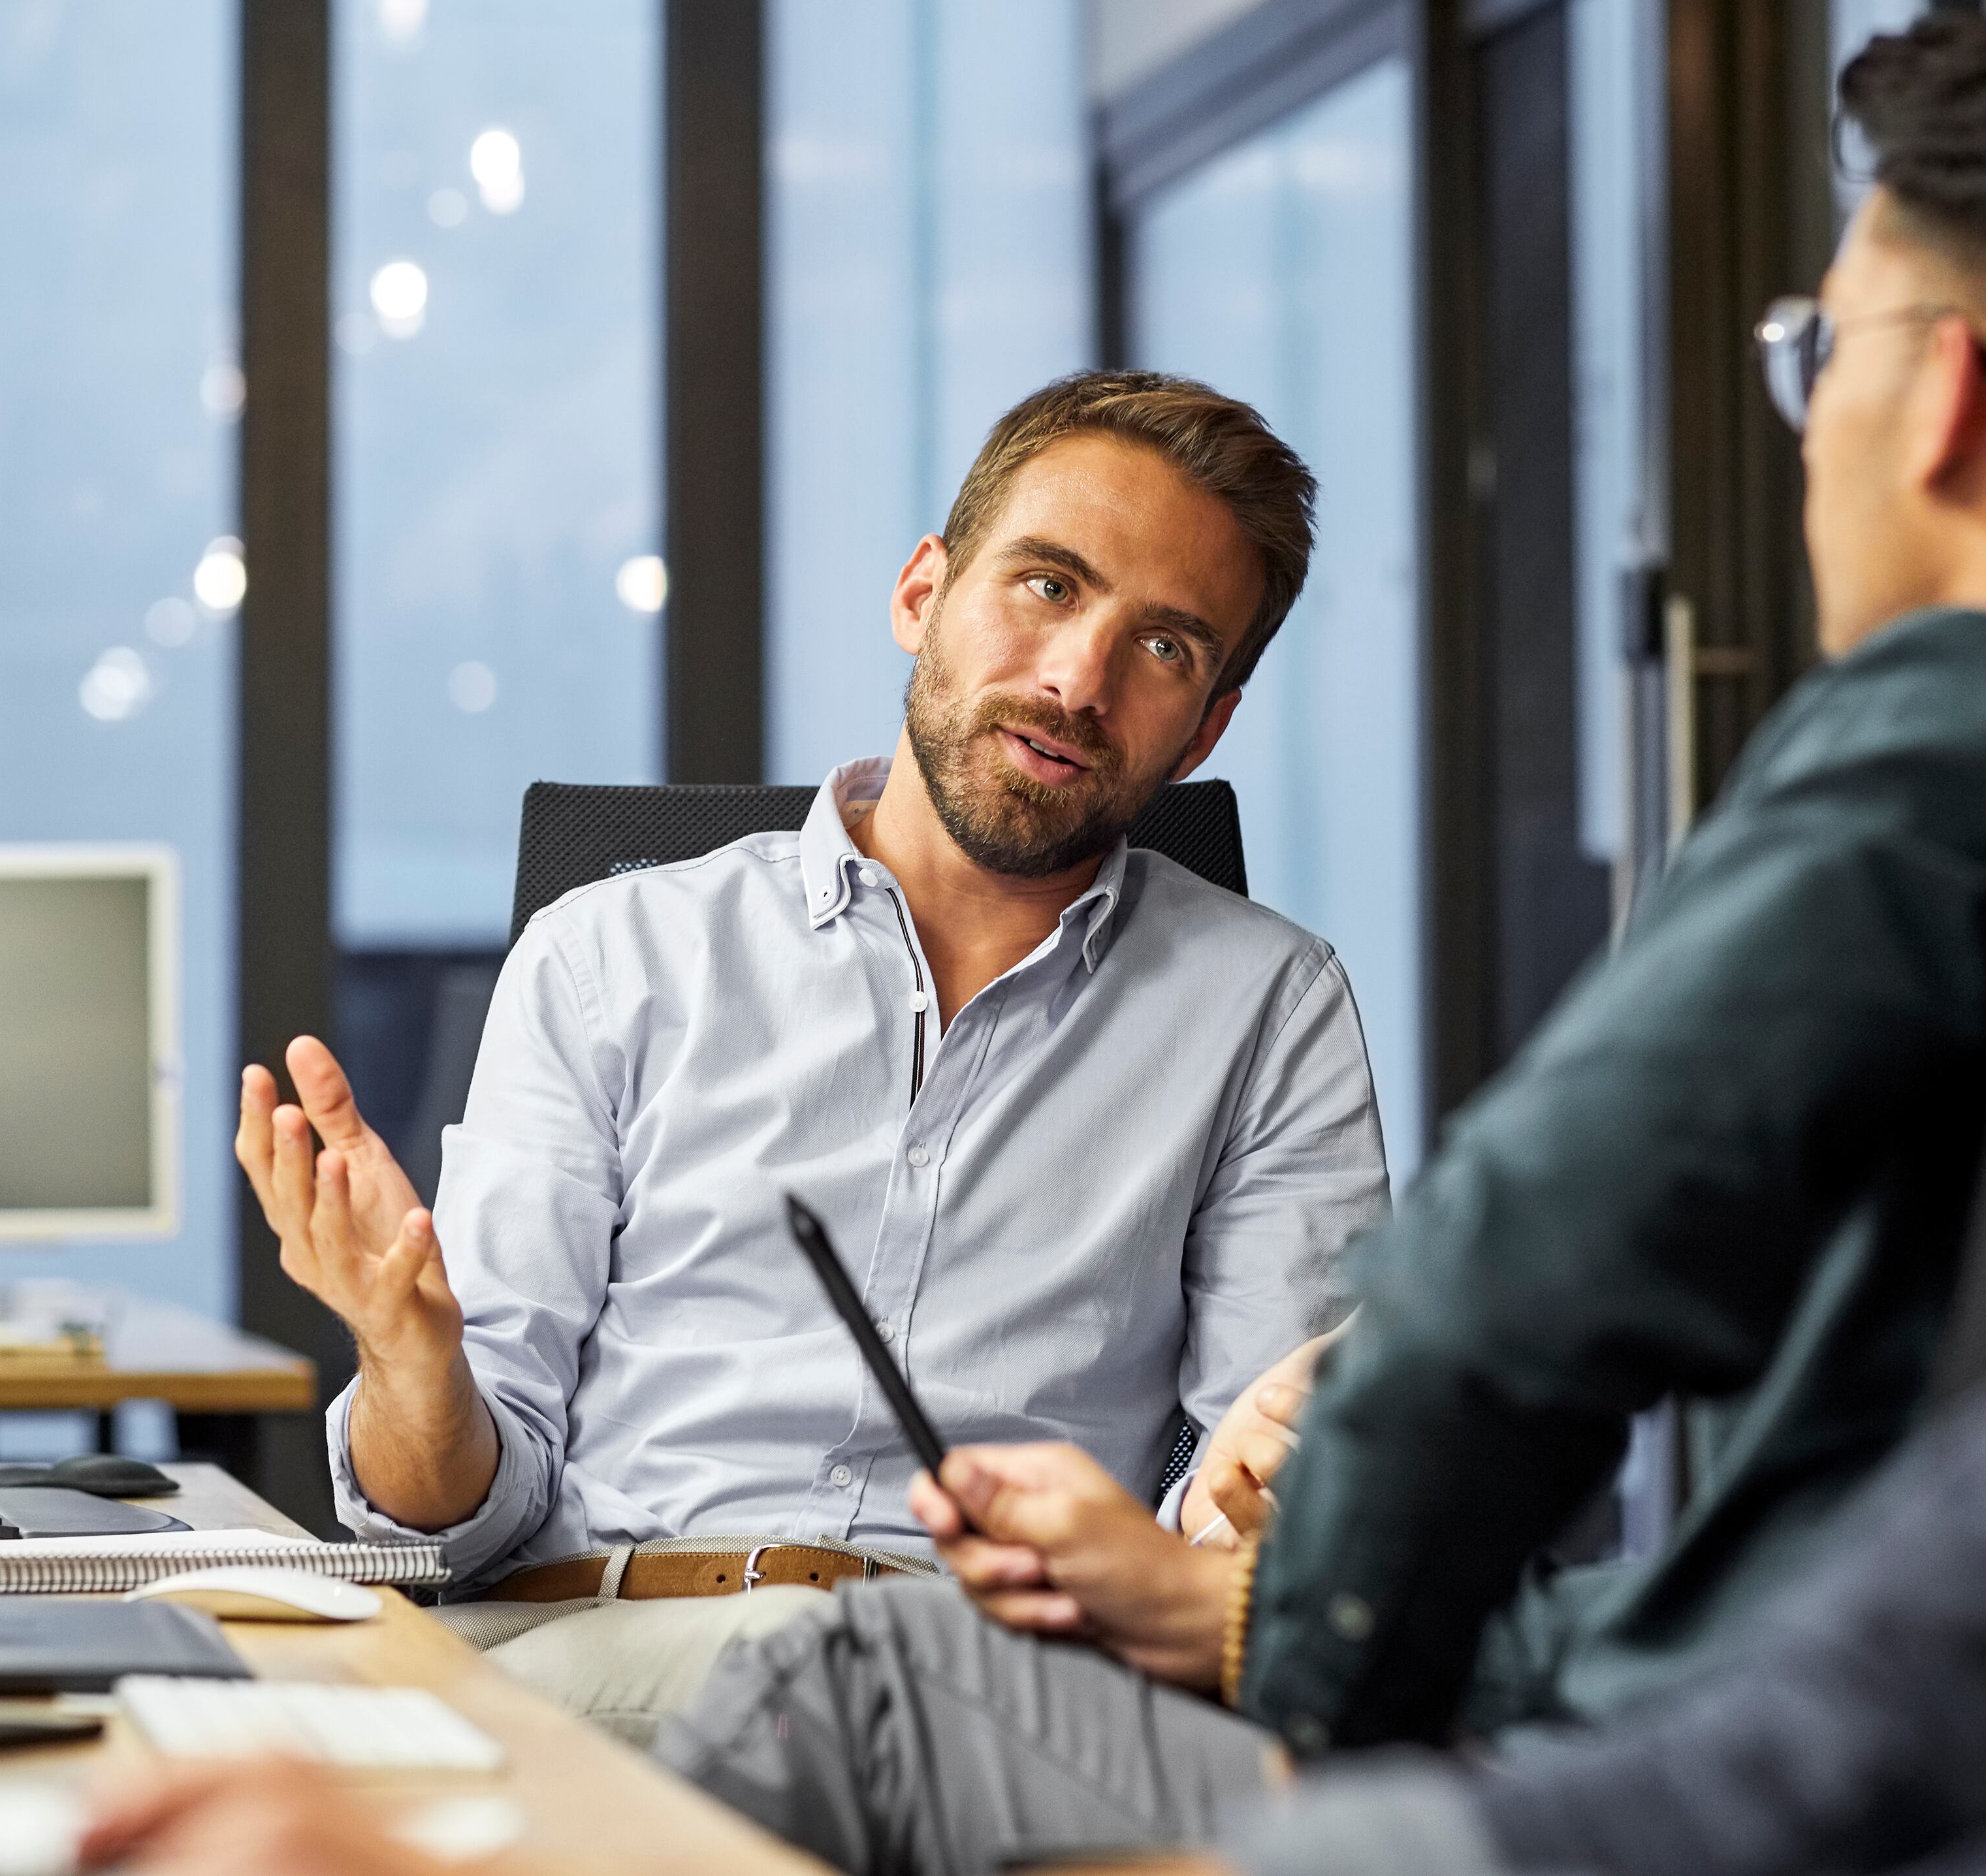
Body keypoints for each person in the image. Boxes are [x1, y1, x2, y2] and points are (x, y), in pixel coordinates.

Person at [622, 0, 1986, 1869]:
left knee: (836, 1685)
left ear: (1933, 390)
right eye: (1043, 592)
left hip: (1586, 1719)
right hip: (1649, 1718)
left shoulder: (1941, 740)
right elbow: (1889, 1621)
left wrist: (1307, 1684)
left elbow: (1504, 1297)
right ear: (928, 593)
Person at [232, 370, 1391, 1743]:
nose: (1077, 677)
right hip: (594, 1652)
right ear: (922, 596)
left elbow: (1232, 1509)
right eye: (1046, 585)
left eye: (1163, 648)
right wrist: (415, 1365)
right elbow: (447, 1514)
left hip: (987, 1691)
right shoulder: (608, 952)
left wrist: (1259, 1499)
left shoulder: (1271, 1008)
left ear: (1203, 725)